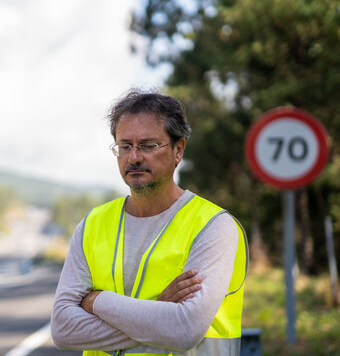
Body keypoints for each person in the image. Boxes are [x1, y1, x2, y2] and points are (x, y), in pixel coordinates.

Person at [51, 88, 247, 356]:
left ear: (179, 150)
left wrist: (96, 300)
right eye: (125, 146)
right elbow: (63, 330)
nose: (134, 157)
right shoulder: (93, 224)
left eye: (148, 145)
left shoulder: (213, 226)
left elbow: (183, 330)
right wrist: (158, 309)